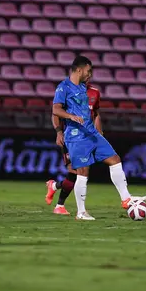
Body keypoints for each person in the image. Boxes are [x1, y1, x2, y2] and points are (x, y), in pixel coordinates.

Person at [52, 55, 146, 220]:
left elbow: (95, 112)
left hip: (92, 133)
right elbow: (56, 110)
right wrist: (70, 117)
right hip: (76, 136)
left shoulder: (83, 87)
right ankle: (81, 212)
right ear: (79, 69)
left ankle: (126, 199)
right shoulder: (63, 87)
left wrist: (98, 129)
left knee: (115, 159)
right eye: (88, 71)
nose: (90, 74)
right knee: (82, 171)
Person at [45, 82, 103, 215]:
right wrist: (59, 133)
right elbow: (56, 113)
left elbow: (96, 114)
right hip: (70, 138)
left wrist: (100, 134)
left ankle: (55, 190)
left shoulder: (94, 92)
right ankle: (64, 206)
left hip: (86, 139)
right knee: (77, 172)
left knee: (75, 174)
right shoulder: (66, 90)